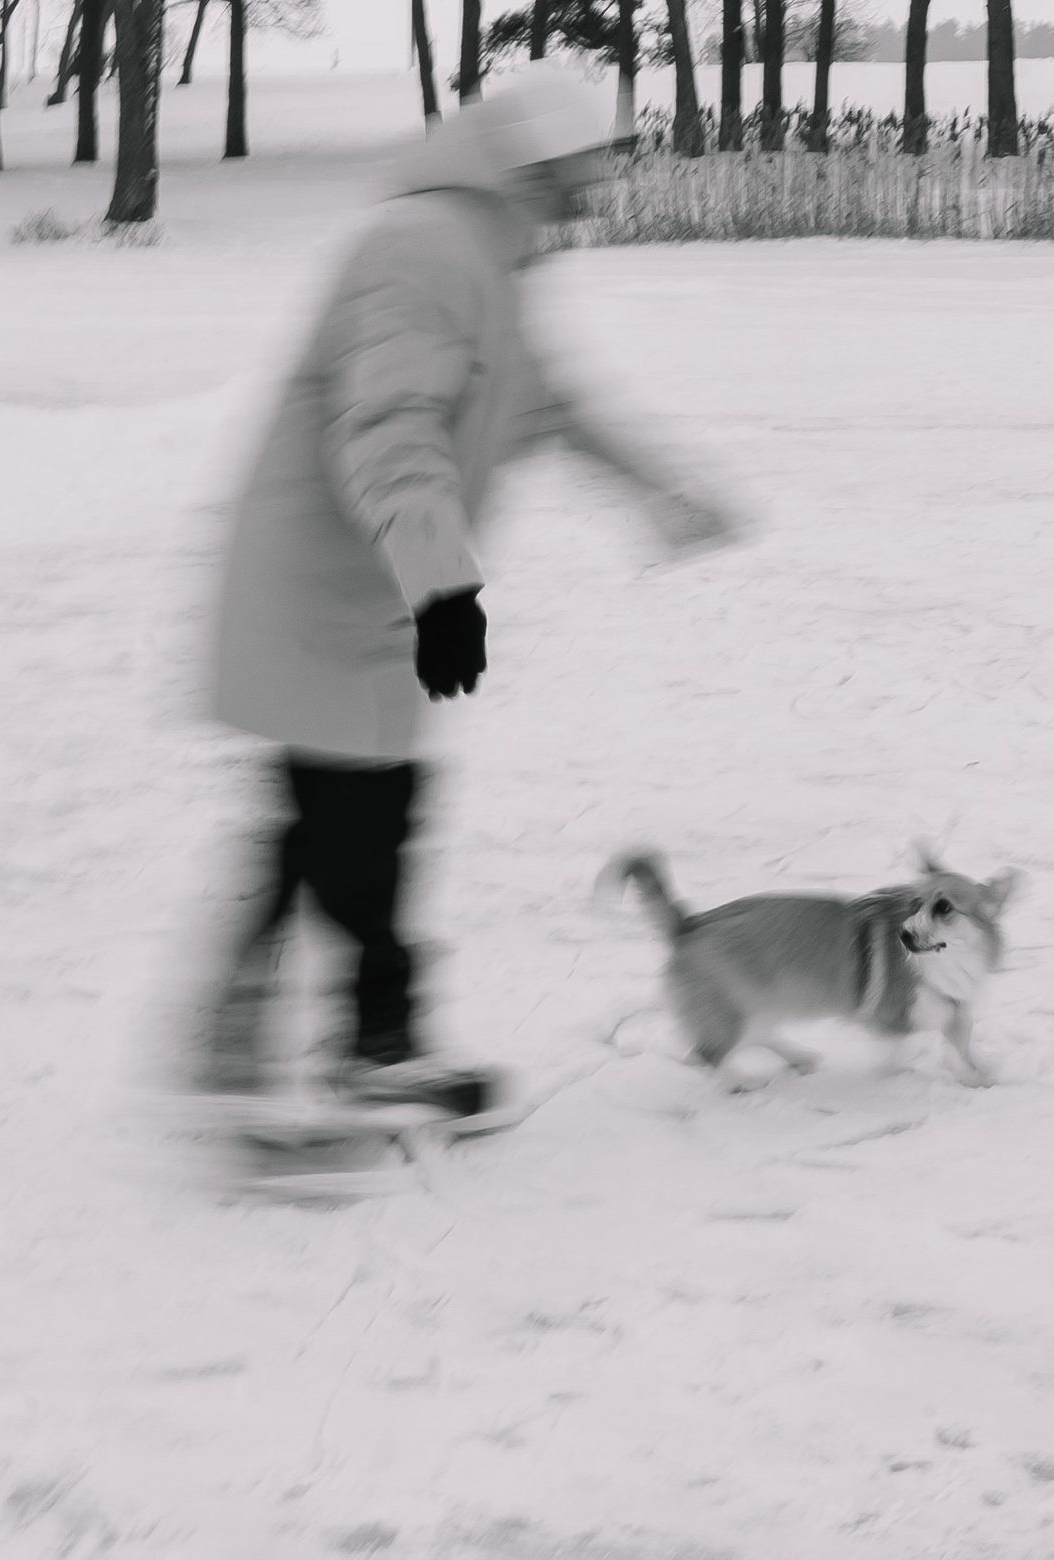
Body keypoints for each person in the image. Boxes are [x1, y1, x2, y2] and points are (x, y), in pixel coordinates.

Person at [191, 61, 738, 1123]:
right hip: (335, 591)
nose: (603, 185)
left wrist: (663, 492)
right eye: (591, 162)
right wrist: (443, 587)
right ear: (534, 160)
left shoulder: (489, 257)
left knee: (341, 823)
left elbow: (551, 405)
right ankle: (336, 1050)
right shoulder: (424, 251)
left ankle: (282, 1046)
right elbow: (389, 428)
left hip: (370, 592)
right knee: (354, 828)